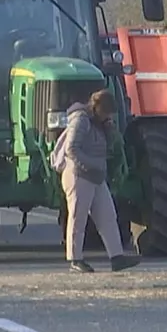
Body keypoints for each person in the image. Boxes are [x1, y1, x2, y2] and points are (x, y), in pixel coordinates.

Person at [51, 90, 138, 273]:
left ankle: (117, 257)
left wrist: (109, 129)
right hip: (78, 176)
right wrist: (90, 165)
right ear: (96, 107)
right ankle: (75, 259)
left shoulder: (100, 123)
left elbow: (110, 145)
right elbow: (71, 149)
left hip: (96, 177)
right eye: (105, 112)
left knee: (108, 216)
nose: (107, 116)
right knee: (78, 218)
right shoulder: (81, 120)